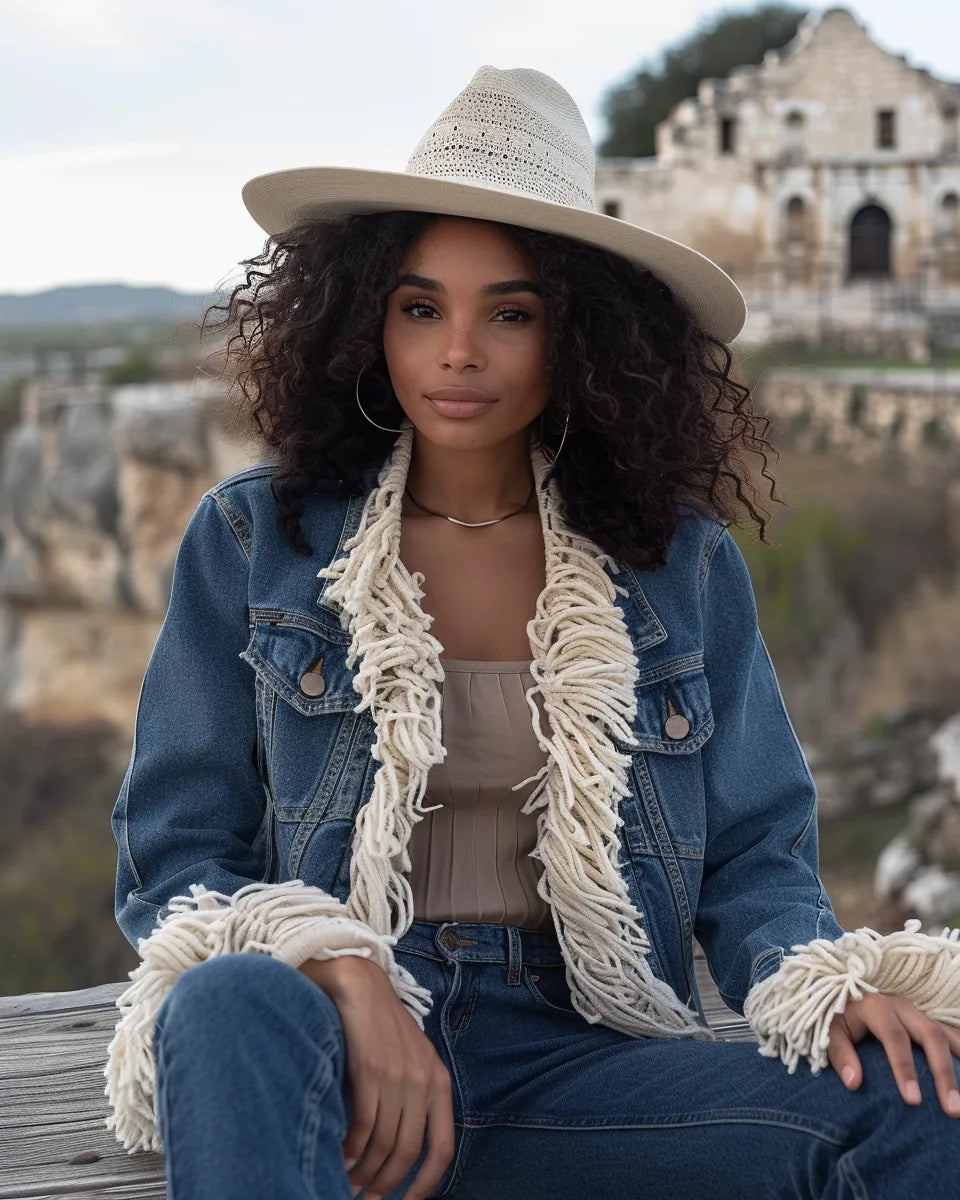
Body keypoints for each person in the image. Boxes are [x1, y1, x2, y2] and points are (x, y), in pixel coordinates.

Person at [104, 65, 960, 1199]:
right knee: (224, 997)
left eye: (511, 312)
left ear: (584, 340)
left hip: (579, 1059)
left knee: (920, 1106)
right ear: (365, 319)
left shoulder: (678, 563)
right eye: (421, 308)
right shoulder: (253, 538)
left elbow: (757, 855)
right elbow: (175, 856)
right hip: (333, 1051)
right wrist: (342, 972)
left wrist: (824, 983)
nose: (459, 351)